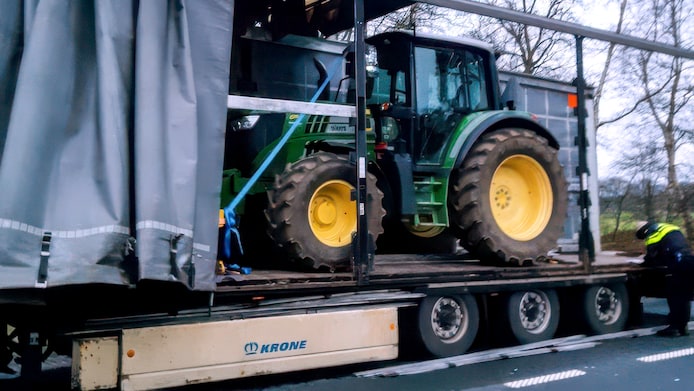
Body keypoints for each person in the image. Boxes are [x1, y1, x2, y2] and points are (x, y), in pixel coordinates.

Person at [636, 221, 694, 337]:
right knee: (683, 295)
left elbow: (652, 257)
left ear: (644, 231)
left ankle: (675, 328)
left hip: (678, 264)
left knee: (675, 295)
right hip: (688, 260)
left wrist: (641, 263)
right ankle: (682, 326)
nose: (644, 239)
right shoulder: (670, 227)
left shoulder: (653, 233)